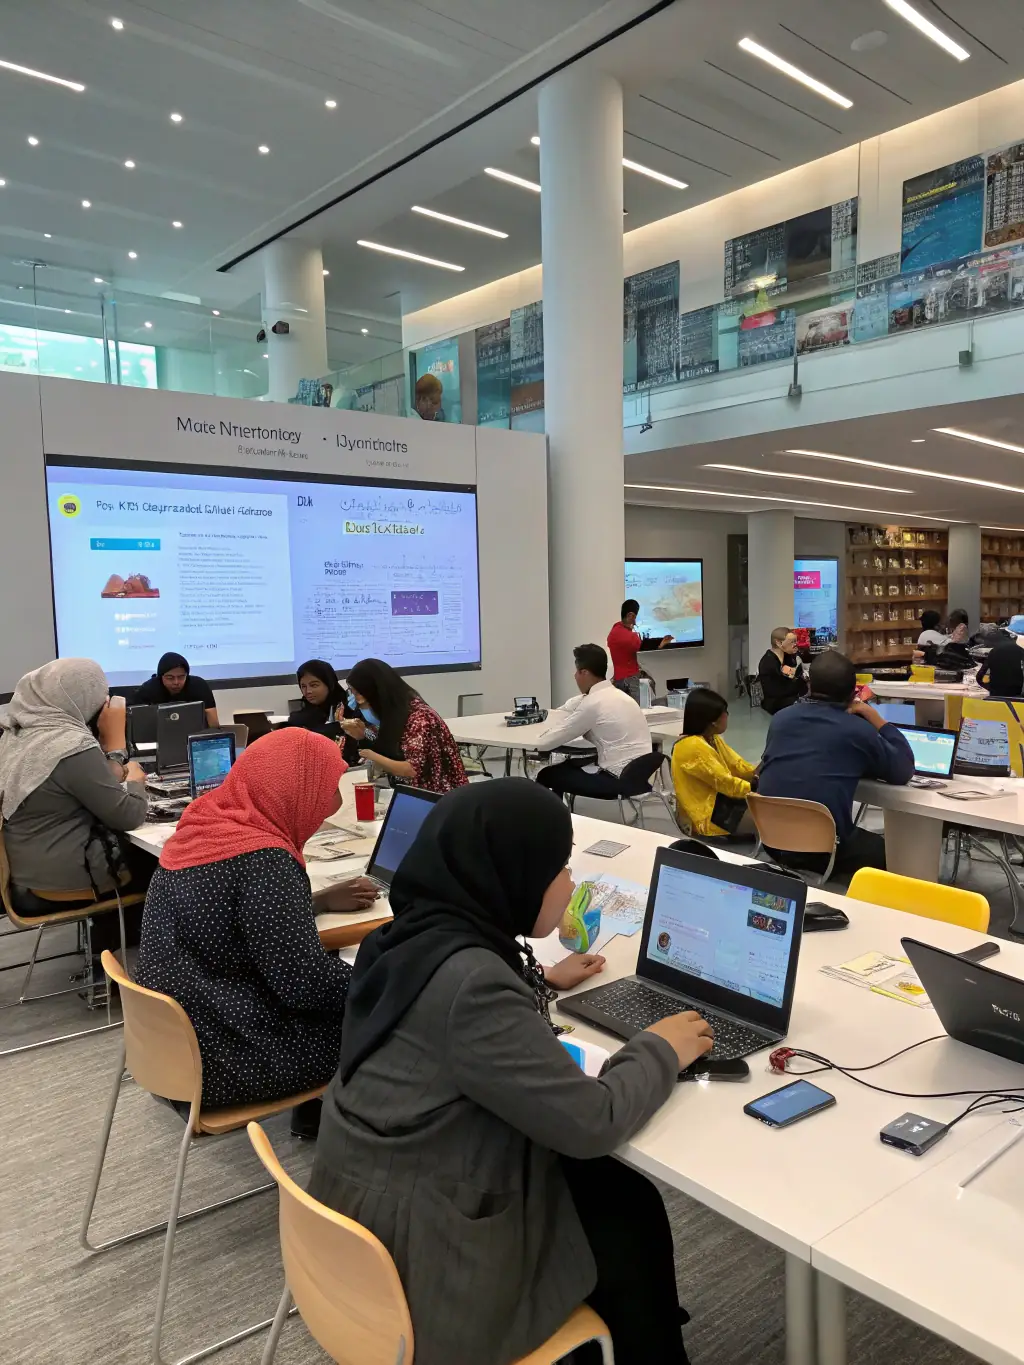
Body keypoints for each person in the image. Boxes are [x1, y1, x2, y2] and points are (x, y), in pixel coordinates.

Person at [309, 780, 714, 1365]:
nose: (570, 884)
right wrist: (660, 1046)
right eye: (560, 867)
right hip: (430, 1266)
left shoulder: (407, 939)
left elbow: (450, 1040)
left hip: (361, 1227)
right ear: (511, 872)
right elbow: (591, 1122)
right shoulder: (473, 983)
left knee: (618, 1197)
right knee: (622, 1203)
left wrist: (539, 983)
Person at [135, 728, 379, 1131]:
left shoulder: (202, 828)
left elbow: (226, 924)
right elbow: (304, 985)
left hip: (170, 1050)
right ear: (293, 788)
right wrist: (389, 980)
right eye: (328, 789)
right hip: (230, 1056)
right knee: (393, 1016)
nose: (332, 804)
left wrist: (315, 902)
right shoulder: (264, 860)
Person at [0, 658, 150, 957]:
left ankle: (106, 952)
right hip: (61, 880)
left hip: (26, 873)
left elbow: (88, 781)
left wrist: (114, 760)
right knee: (162, 864)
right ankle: (125, 963)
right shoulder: (69, 745)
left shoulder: (18, 735)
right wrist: (135, 780)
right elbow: (129, 814)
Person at [757, 650, 914, 877]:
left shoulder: (781, 719)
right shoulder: (857, 730)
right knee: (889, 850)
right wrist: (872, 715)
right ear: (853, 693)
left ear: (808, 685)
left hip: (773, 841)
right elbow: (903, 770)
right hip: (823, 850)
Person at [535, 644, 653, 802]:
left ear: (584, 672)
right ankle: (560, 814)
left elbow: (546, 742)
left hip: (618, 780)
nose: (575, 676)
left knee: (547, 774)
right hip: (641, 776)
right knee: (566, 767)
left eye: (577, 672)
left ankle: (550, 821)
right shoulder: (621, 697)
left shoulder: (593, 704)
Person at [339, 658, 467, 794]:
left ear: (376, 693)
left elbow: (412, 769)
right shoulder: (395, 714)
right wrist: (364, 734)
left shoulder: (419, 718)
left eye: (358, 695)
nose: (358, 703)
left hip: (438, 797)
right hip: (411, 793)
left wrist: (372, 756)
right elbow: (390, 745)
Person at [670, 688, 757, 837]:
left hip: (721, 801)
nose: (727, 716)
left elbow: (737, 766)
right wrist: (757, 788)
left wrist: (758, 771)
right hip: (708, 814)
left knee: (773, 813)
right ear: (713, 721)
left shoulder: (711, 738)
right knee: (774, 820)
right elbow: (725, 783)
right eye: (725, 712)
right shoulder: (692, 747)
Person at [288, 659, 361, 766]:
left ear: (329, 684)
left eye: (314, 685)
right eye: (303, 686)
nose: (308, 691)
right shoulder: (298, 719)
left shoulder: (350, 711)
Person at [607, 599, 673, 701]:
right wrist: (660, 644)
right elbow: (642, 647)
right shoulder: (631, 637)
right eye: (634, 617)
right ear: (630, 615)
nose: (635, 621)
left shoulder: (614, 631)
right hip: (630, 680)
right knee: (641, 708)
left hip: (617, 679)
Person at [132, 652, 219, 727]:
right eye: (170, 678)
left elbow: (212, 717)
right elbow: (135, 719)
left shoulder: (199, 685)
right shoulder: (149, 689)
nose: (176, 682)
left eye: (181, 677)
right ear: (160, 677)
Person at [757, 627, 806, 716]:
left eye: (795, 641)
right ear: (779, 643)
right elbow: (780, 690)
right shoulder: (768, 662)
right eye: (792, 642)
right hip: (776, 702)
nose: (795, 644)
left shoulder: (788, 657)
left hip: (788, 697)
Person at [977, 615, 1024, 696]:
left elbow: (979, 678)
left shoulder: (996, 650)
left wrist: (990, 688)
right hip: (1018, 700)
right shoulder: (1020, 651)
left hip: (996, 698)